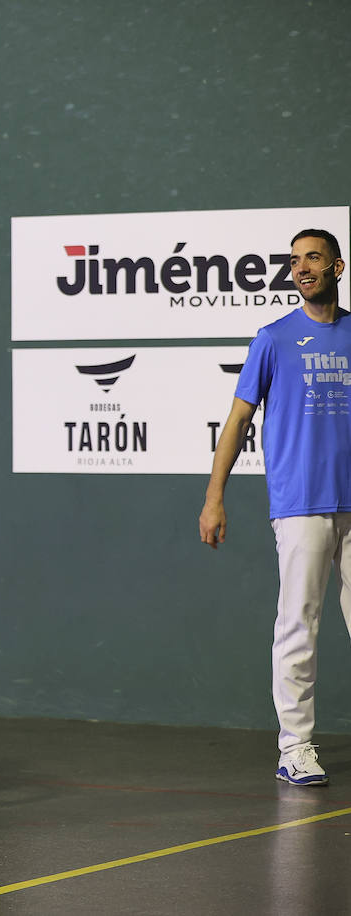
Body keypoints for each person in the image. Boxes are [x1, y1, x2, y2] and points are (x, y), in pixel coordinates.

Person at [200, 228, 351, 787]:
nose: (302, 267)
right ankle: (296, 748)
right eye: (294, 261)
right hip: (301, 504)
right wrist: (214, 498)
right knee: (299, 626)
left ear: (338, 265)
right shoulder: (273, 338)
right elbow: (239, 422)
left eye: (313, 257)